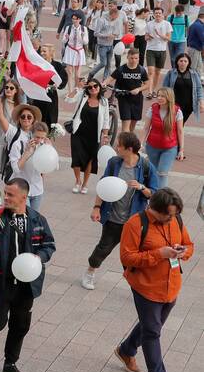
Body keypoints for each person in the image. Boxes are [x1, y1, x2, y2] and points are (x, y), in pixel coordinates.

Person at [0, 178, 56, 372]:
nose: (5, 197)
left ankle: (10, 363)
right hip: (1, 283)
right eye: (5, 193)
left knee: (20, 325)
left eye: (10, 194)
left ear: (24, 197)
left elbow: (49, 245)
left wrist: (40, 257)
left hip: (27, 286)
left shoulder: (38, 220)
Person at [115, 188, 194, 372]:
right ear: (155, 209)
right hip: (145, 287)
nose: (172, 218)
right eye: (168, 214)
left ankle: (126, 350)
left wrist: (182, 252)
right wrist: (159, 254)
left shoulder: (176, 220)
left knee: (152, 325)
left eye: (175, 214)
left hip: (171, 286)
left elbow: (189, 245)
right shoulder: (135, 223)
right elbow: (127, 257)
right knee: (152, 331)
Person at [82, 132, 158, 290]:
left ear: (129, 149)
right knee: (104, 248)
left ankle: (136, 283)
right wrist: (96, 208)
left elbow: (155, 193)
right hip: (113, 217)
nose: (116, 148)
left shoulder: (145, 166)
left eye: (119, 146)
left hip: (134, 221)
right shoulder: (114, 163)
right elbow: (104, 186)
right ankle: (90, 272)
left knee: (132, 254)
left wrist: (141, 187)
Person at [68, 78, 111, 195]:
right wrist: (78, 87)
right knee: (76, 157)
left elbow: (106, 120)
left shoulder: (104, 102)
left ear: (99, 87)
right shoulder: (83, 96)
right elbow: (69, 99)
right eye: (90, 87)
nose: (93, 89)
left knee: (90, 160)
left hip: (93, 135)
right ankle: (77, 181)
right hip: (78, 132)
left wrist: (105, 135)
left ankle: (85, 183)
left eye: (95, 86)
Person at [141, 87, 184, 189]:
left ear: (169, 98)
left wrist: (181, 150)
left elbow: (180, 131)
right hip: (152, 146)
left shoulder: (177, 111)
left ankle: (160, 196)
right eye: (158, 95)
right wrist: (141, 143)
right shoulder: (153, 108)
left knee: (162, 172)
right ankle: (153, 193)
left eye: (162, 96)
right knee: (154, 172)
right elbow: (146, 127)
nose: (159, 98)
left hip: (170, 148)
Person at [8, 121, 51, 210]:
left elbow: (47, 169)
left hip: (37, 189)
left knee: (33, 220)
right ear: (31, 134)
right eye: (37, 137)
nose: (39, 140)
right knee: (24, 218)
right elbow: (16, 169)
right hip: (20, 189)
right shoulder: (18, 144)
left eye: (42, 138)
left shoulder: (43, 146)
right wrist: (27, 153)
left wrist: (48, 152)